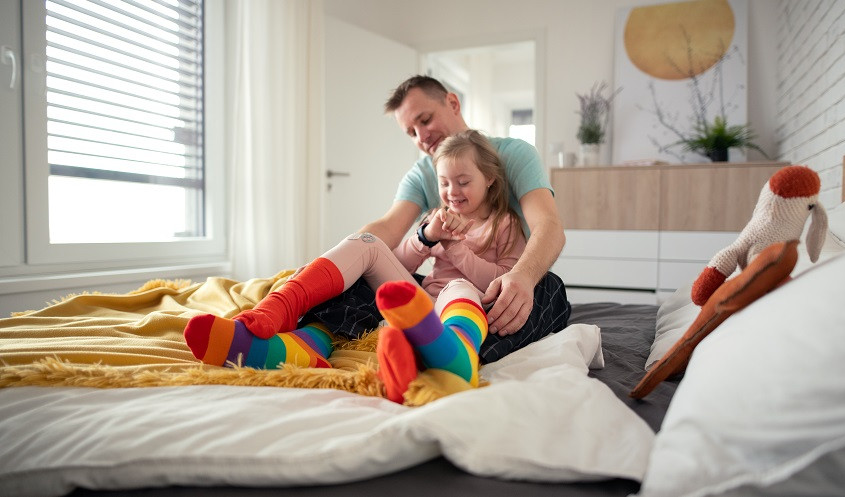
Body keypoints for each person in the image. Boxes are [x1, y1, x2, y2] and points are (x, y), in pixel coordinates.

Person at [183, 130, 525, 401]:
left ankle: (451, 357)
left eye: (463, 182)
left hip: (460, 307)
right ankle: (282, 305)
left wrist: (455, 250)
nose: (452, 192)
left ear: (490, 179)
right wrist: (425, 238)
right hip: (417, 300)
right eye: (444, 183)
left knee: (459, 285)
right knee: (368, 243)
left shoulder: (504, 224)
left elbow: (499, 282)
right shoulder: (438, 217)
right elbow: (400, 265)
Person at [303, 75, 571, 363]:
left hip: (499, 287)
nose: (422, 137)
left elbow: (549, 226)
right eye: (411, 132)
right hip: (441, 292)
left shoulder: (513, 154)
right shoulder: (421, 174)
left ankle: (450, 351)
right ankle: (307, 334)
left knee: (550, 289)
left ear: (453, 103)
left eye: (426, 119)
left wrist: (523, 277)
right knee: (356, 284)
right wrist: (336, 263)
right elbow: (386, 229)